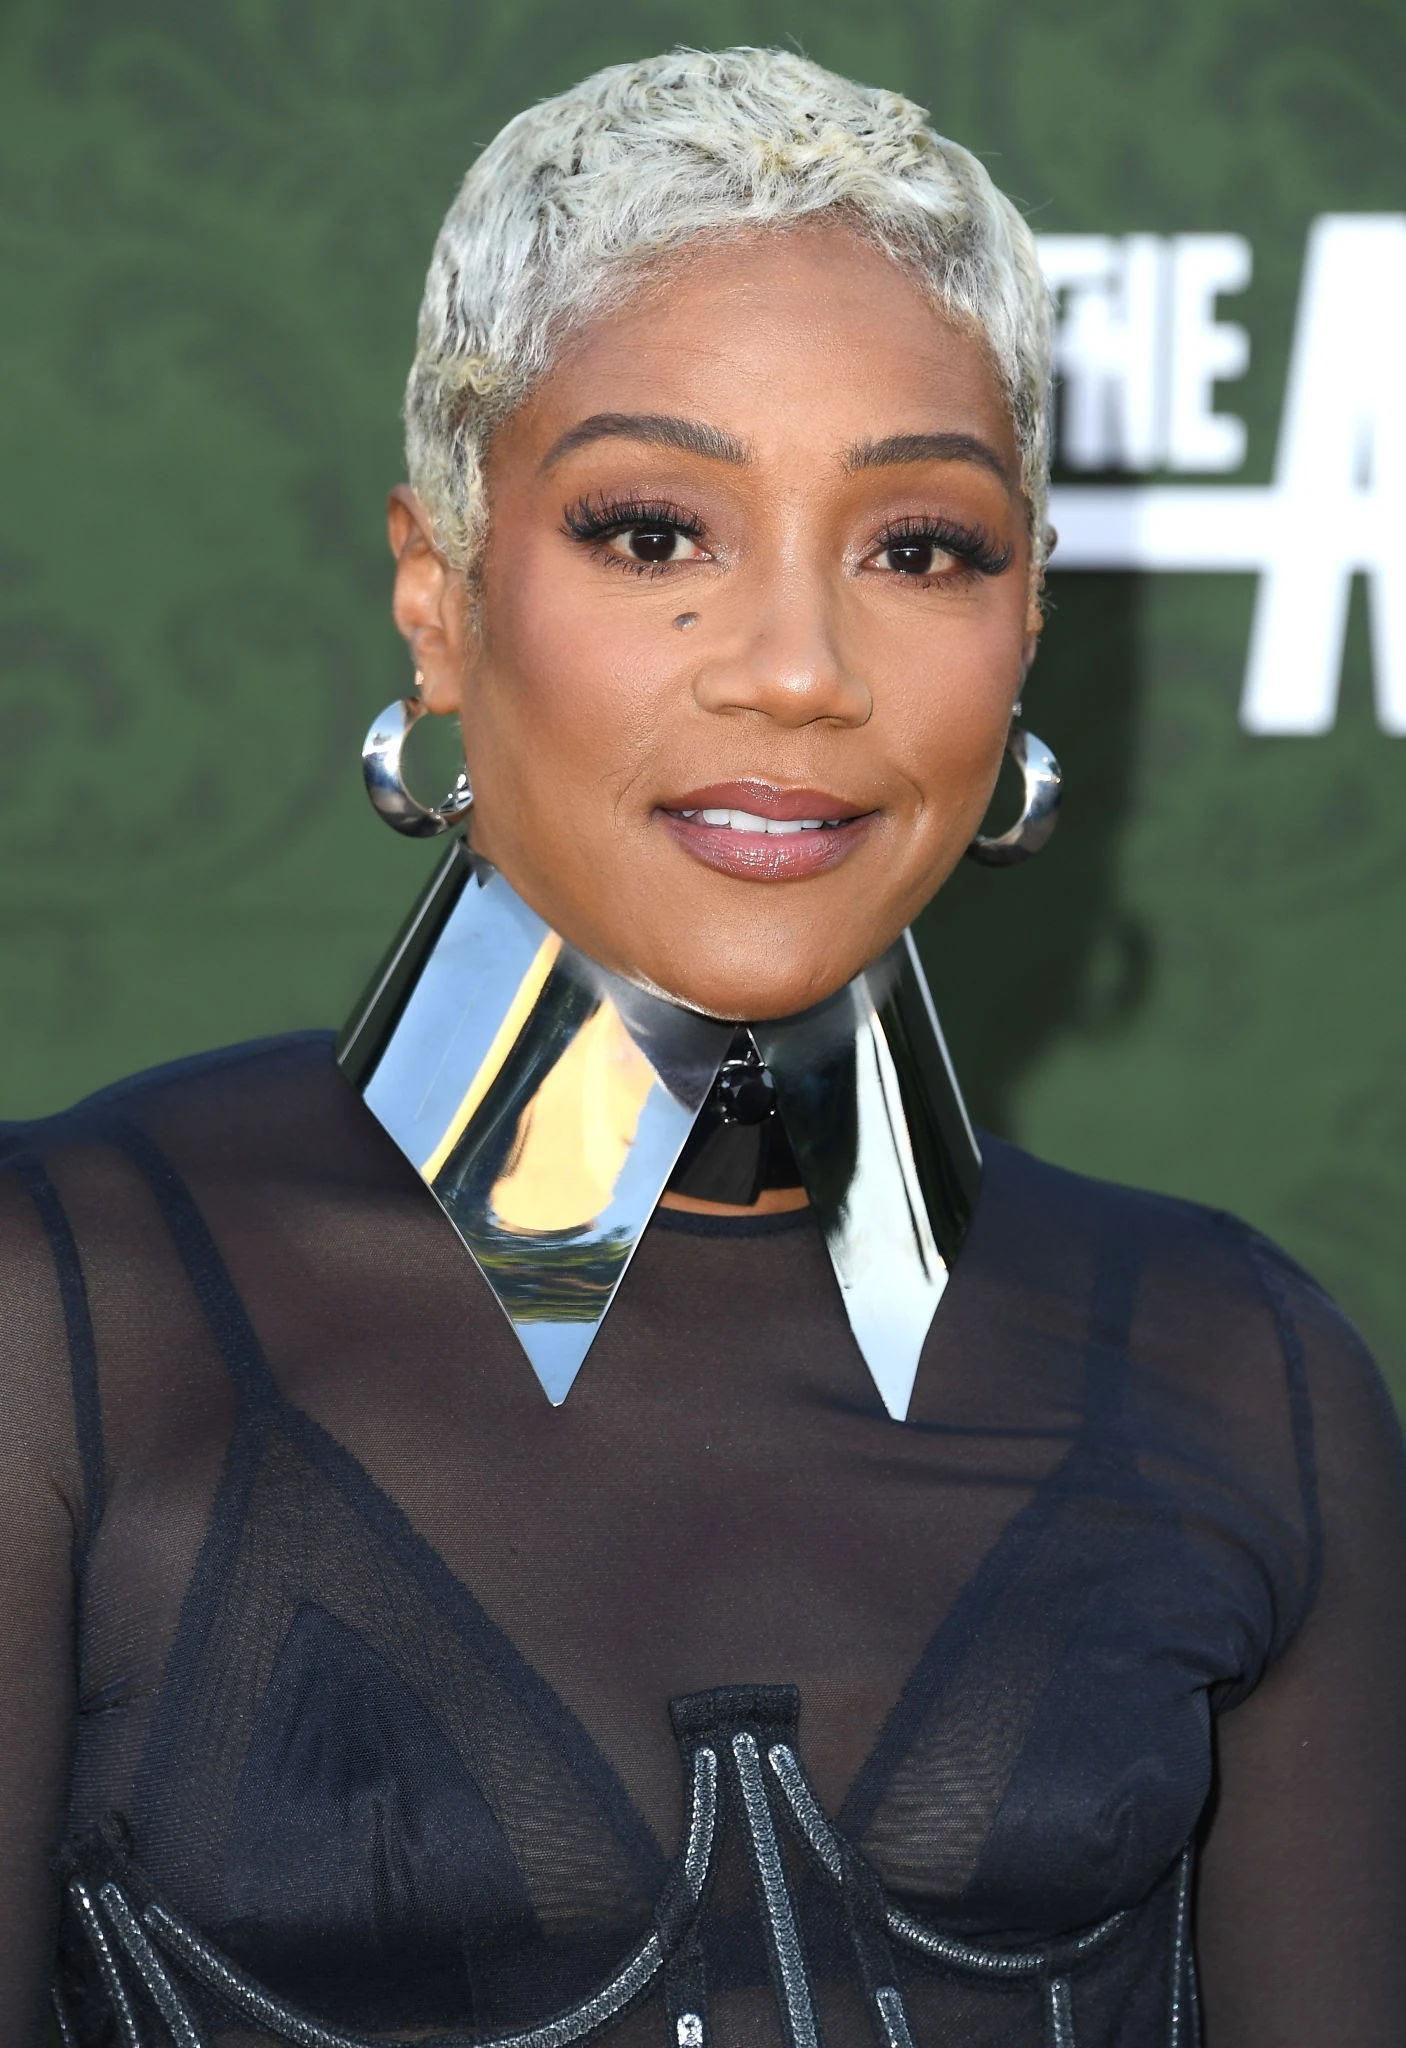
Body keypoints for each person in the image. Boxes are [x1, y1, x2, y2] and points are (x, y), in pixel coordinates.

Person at [1, 45, 1402, 2048]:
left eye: (918, 548)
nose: (798, 670)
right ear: (438, 594)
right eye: (655, 532)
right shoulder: (67, 1315)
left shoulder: (1239, 1366)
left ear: (1024, 623)